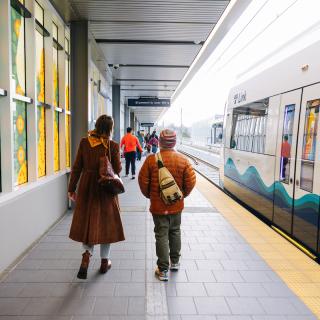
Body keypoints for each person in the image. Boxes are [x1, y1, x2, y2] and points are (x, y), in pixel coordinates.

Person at [68, 115, 125, 280]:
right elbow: (118, 170)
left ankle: (86, 255)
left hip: (87, 188)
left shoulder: (85, 143)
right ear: (110, 129)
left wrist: (72, 188)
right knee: (106, 225)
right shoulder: (112, 145)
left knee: (88, 223)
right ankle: (104, 262)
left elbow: (77, 167)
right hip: (105, 188)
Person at [138, 129, 196, 281]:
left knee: (161, 235)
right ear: (174, 142)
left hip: (158, 206)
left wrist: (151, 196)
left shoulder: (151, 160)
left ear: (159, 142)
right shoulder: (183, 160)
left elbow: (143, 181)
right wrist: (182, 196)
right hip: (176, 205)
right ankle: (175, 262)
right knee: (175, 231)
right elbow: (190, 182)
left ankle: (163, 270)